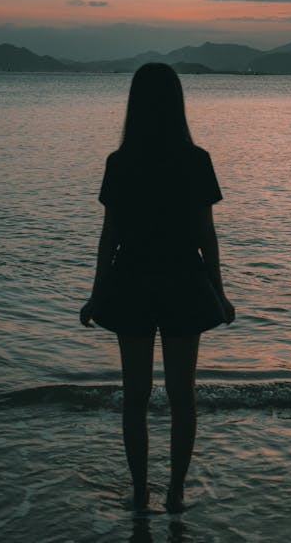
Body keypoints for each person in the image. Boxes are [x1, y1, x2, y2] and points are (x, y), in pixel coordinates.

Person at [80, 63, 235, 513]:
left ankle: (140, 490)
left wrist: (97, 293)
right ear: (177, 104)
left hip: (131, 283)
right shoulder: (196, 159)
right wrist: (219, 294)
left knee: (136, 398)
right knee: (183, 397)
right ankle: (176, 492)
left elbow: (109, 239)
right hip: (185, 283)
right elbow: (207, 237)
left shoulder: (120, 162)